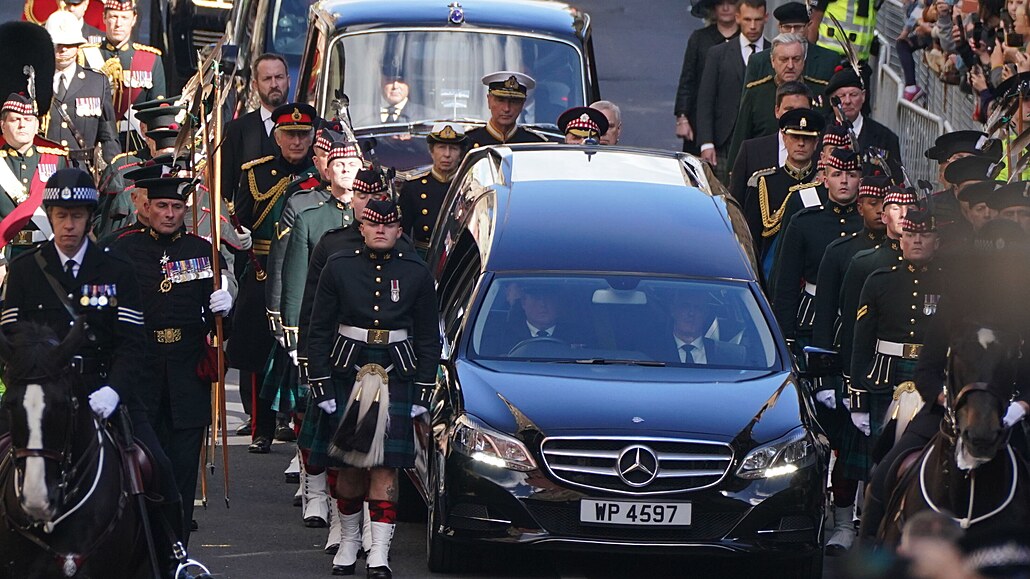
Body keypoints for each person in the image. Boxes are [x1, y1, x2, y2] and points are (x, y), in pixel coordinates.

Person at [0, 167, 186, 567]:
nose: (69, 225)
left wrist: (114, 390)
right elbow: (10, 343)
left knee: (158, 469)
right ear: (50, 216)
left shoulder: (115, 268)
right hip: (39, 394)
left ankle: (172, 560)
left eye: (78, 216)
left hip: (102, 388)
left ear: (90, 217)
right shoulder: (26, 270)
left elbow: (133, 344)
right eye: (62, 215)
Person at [305, 199, 441, 578]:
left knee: (385, 469)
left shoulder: (416, 271)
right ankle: (349, 543)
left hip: (397, 373)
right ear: (361, 227)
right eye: (373, 224)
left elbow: (429, 337)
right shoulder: (339, 266)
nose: (380, 230)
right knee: (348, 467)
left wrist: (423, 390)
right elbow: (318, 330)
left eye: (389, 225)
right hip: (346, 370)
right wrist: (321, 383)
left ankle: (379, 552)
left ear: (400, 230)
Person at [108, 174, 233, 544]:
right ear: (146, 207)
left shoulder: (202, 251)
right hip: (140, 369)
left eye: (177, 207)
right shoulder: (121, 248)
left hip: (186, 370)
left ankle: (177, 548)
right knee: (141, 464)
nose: (169, 213)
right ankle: (139, 546)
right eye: (162, 206)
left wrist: (227, 306)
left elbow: (223, 322)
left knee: (180, 469)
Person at [228, 102, 317, 455]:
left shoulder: (320, 175)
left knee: (300, 354)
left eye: (303, 135)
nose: (296, 142)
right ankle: (261, 427)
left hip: (306, 270)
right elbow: (241, 223)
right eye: (290, 135)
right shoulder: (256, 173)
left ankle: (295, 422)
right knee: (258, 351)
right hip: (263, 268)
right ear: (277, 137)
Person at [848, 209, 943, 479]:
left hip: (933, 377)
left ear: (937, 241)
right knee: (880, 460)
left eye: (925, 235)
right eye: (911, 234)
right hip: (885, 376)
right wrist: (857, 400)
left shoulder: (951, 284)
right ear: (900, 240)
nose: (917, 241)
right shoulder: (879, 281)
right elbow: (862, 342)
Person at [770, 147, 863, 349]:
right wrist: (786, 337)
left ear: (860, 182)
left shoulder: (868, 226)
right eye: (837, 174)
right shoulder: (804, 222)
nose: (844, 181)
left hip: (857, 318)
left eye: (851, 175)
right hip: (810, 317)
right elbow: (786, 284)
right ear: (825, 180)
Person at [741, 107, 823, 279]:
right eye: (795, 137)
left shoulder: (822, 185)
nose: (801, 143)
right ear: (784, 139)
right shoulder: (764, 182)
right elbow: (751, 238)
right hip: (770, 274)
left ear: (816, 143)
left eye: (807, 139)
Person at [728, 32, 829, 166]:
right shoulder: (756, 93)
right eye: (784, 59)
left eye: (796, 59)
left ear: (804, 61)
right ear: (772, 61)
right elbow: (741, 137)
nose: (790, 65)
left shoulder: (820, 91)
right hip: (763, 169)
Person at [696, 0, 770, 184]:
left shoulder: (775, 54)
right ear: (738, 18)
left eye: (757, 19)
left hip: (761, 140)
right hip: (724, 142)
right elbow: (706, 100)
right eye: (747, 19)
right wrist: (706, 142)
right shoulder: (718, 54)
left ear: (766, 18)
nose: (752, 26)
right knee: (723, 199)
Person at [79, 0, 165, 149]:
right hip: (94, 141)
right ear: (104, 18)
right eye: (113, 16)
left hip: (135, 142)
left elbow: (158, 108)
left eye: (124, 17)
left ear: (134, 19)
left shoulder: (150, 59)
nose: (118, 24)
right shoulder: (85, 55)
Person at [44, 11, 120, 167]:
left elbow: (108, 138)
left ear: (78, 46)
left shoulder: (97, 83)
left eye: (69, 44)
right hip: (44, 171)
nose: (63, 49)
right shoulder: (35, 81)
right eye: (57, 44)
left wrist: (114, 181)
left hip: (82, 172)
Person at [0, 92, 71, 256]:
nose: (22, 125)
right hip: (6, 251)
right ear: (3, 125)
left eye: (28, 120)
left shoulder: (55, 160)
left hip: (46, 248)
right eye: (15, 120)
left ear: (36, 124)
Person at [728, 81, 813, 204]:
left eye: (801, 110)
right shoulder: (751, 151)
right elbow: (735, 203)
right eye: (789, 110)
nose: (795, 116)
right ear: (777, 111)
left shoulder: (820, 151)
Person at [221, 53, 289, 203]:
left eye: (279, 77)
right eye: (267, 79)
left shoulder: (312, 126)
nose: (274, 84)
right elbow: (225, 190)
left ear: (288, 80)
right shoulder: (236, 130)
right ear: (255, 85)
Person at [674, 0, 739, 154]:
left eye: (731, 2)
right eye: (719, 3)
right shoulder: (699, 39)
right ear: (712, 7)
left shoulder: (747, 40)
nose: (725, 8)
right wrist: (682, 118)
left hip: (736, 123)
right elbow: (687, 80)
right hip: (700, 122)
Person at [399, 123, 467, 255]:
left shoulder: (469, 186)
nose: (447, 154)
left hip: (459, 257)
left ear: (460, 154)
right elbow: (402, 233)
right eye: (441, 147)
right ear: (431, 151)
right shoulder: (414, 187)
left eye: (453, 148)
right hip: (423, 256)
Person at [743, 1, 840, 85]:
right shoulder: (758, 61)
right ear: (779, 27)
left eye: (798, 27)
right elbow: (749, 103)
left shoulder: (829, 60)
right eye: (787, 27)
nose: (792, 32)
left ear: (808, 26)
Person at [824, 68, 902, 169]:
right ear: (831, 101)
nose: (847, 101)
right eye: (841, 96)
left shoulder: (885, 138)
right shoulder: (820, 131)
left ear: (863, 96)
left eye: (853, 95)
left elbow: (896, 181)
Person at [925, 131, 1003, 231]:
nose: (964, 162)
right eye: (958, 158)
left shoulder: (996, 204)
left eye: (970, 158)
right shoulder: (931, 205)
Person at [656, 289, 747, 365]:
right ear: (673, 310)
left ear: (705, 314)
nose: (691, 313)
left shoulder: (734, 357)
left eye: (698, 308)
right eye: (685, 306)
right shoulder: (651, 354)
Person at [466, 71, 548, 147]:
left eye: (514, 102)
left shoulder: (535, 143)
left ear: (522, 104)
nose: (506, 108)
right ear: (489, 100)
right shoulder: (467, 142)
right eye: (500, 100)